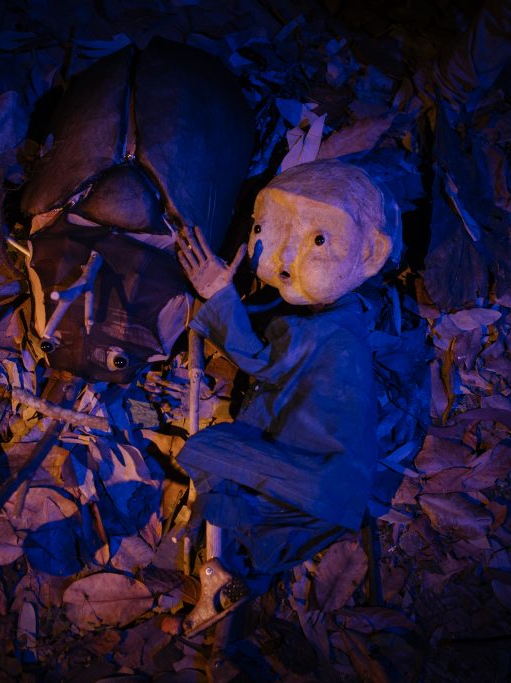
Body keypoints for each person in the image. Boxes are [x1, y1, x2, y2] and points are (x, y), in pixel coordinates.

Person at [173, 159, 401, 634]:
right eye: (267, 230)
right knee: (261, 535)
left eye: (318, 241)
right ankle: (230, 582)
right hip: (337, 490)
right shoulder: (345, 320)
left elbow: (258, 360)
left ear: (372, 253)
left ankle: (225, 576)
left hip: (314, 472)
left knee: (213, 454)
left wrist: (218, 295)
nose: (283, 259)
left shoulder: (328, 333)